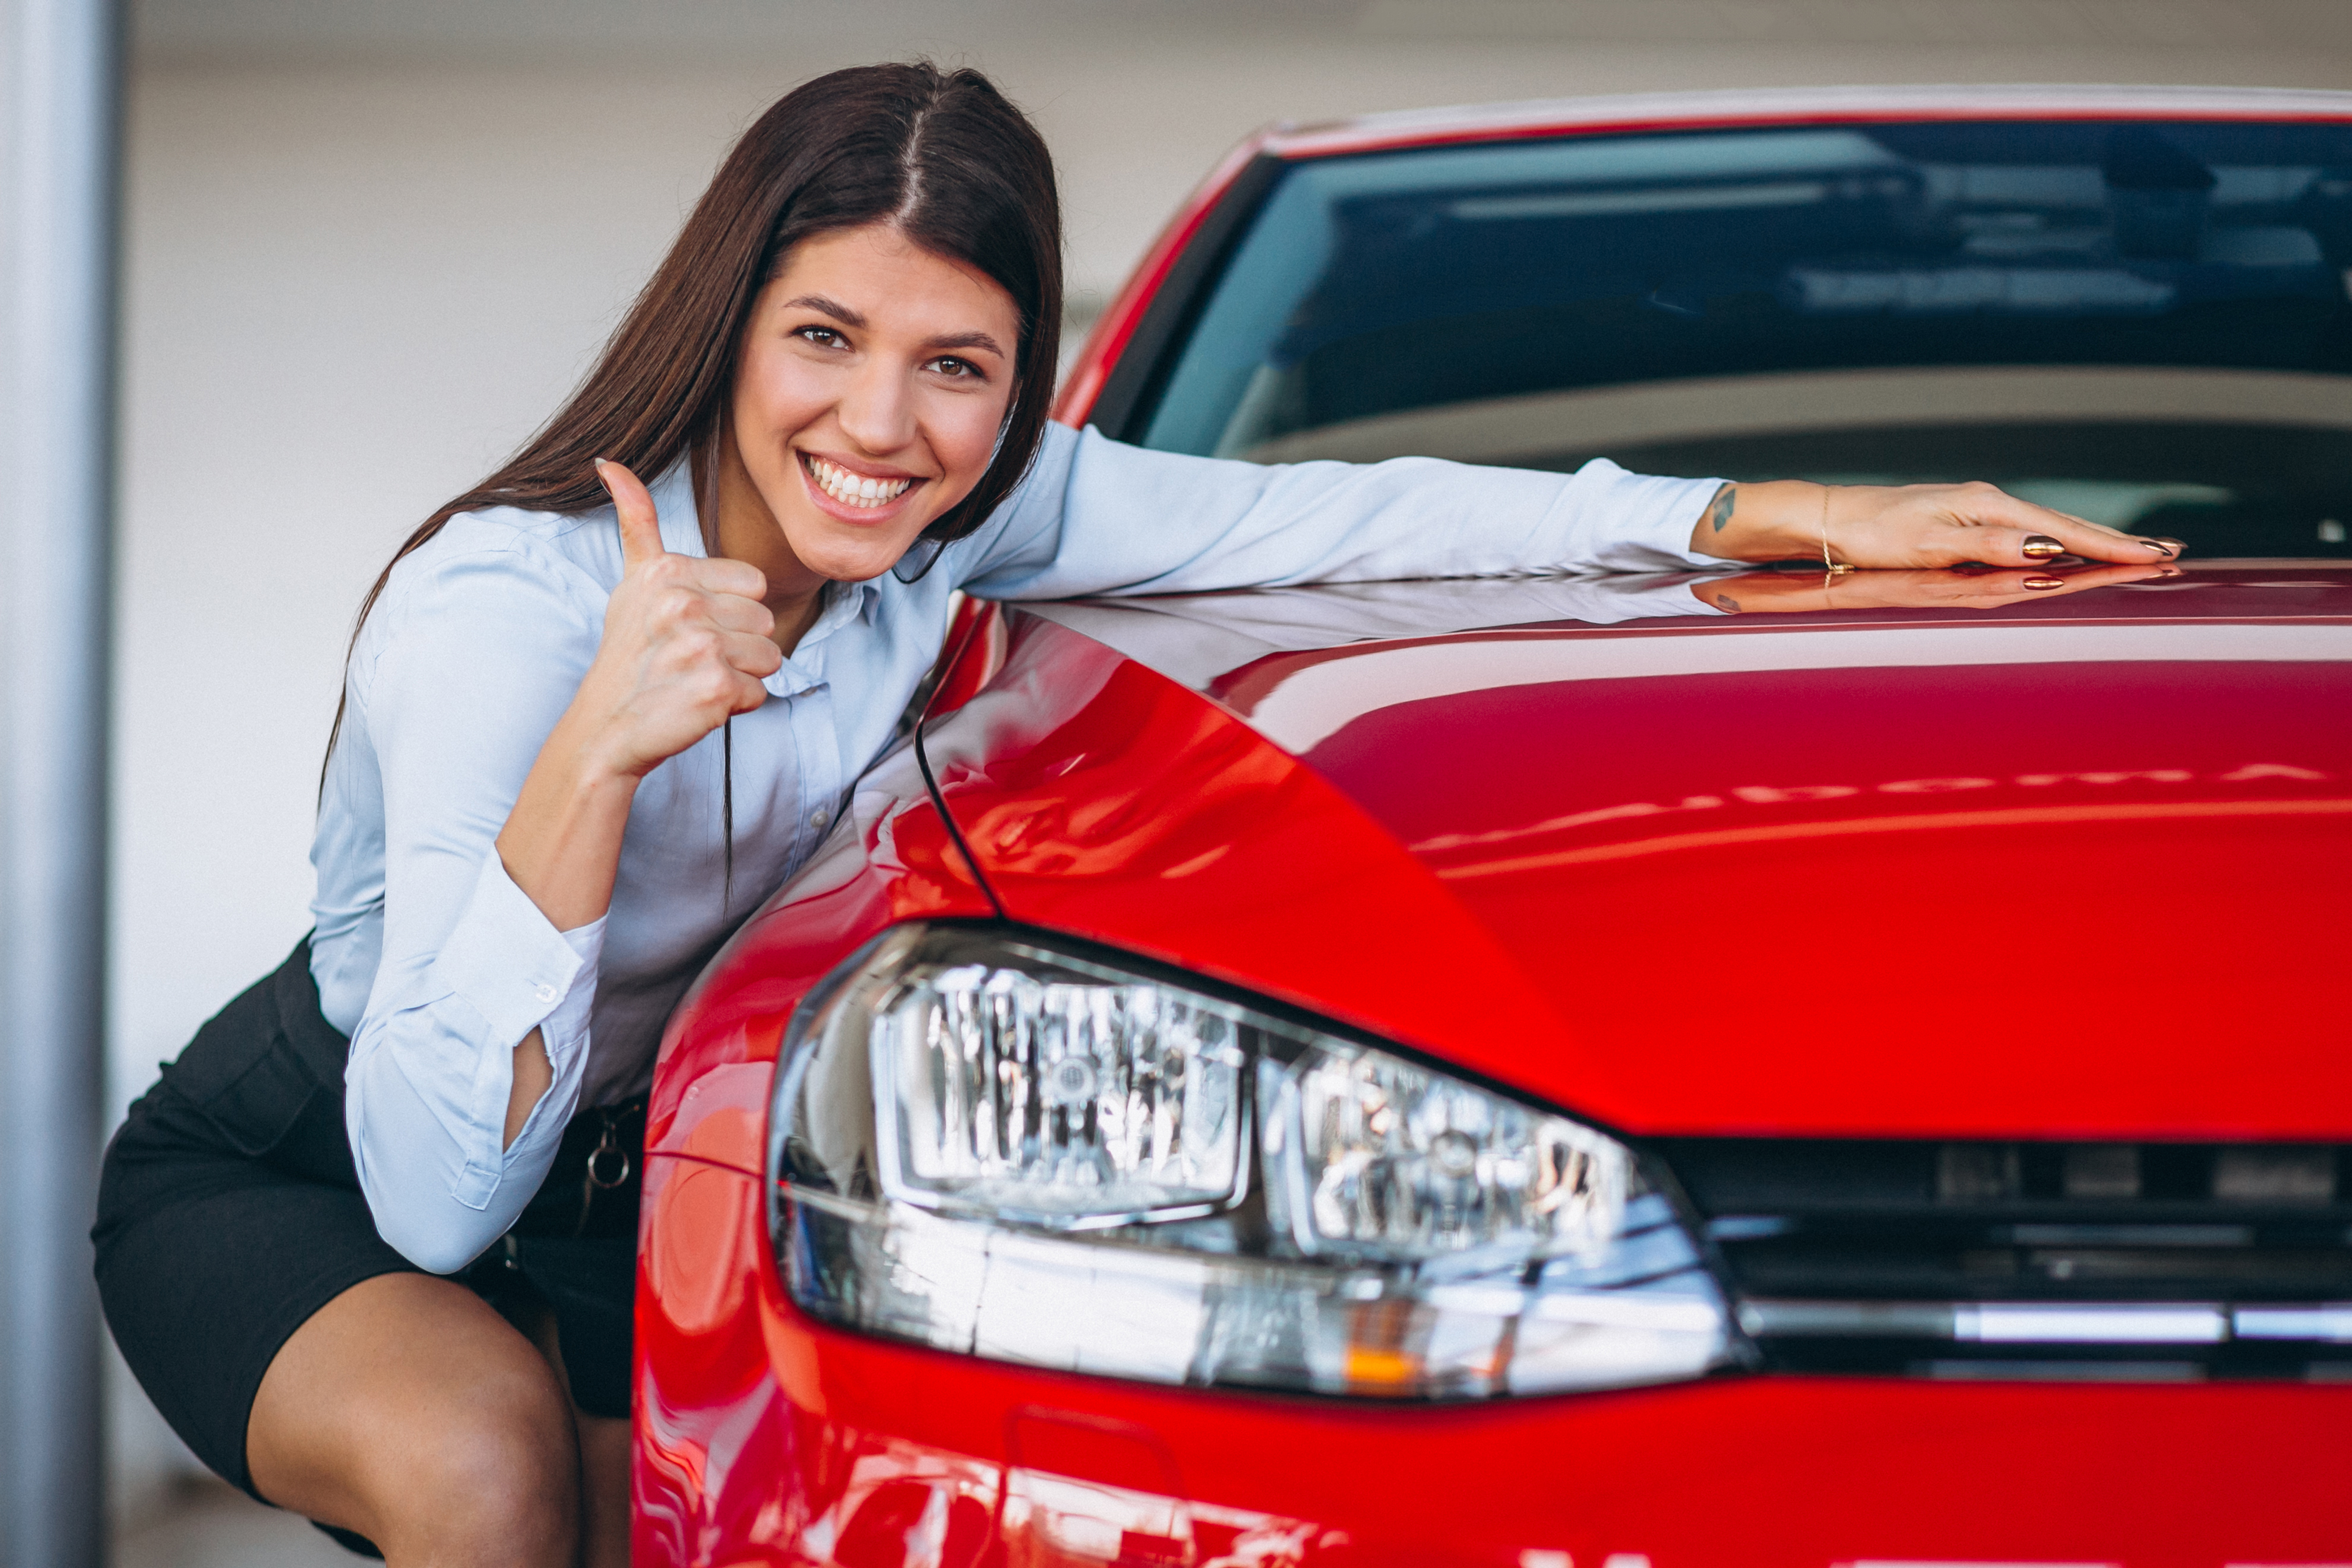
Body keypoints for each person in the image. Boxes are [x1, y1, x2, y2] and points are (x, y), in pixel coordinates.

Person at [92, 61, 2181, 1567]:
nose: (881, 426)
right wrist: (594, 753)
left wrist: (1791, 514)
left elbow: (1351, 518)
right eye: (826, 337)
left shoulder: (963, 529)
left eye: (960, 367)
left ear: (1021, 391)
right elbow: (435, 1194)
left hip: (623, 1170)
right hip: (326, 1162)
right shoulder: (502, 613)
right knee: (489, 1471)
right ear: (730, 321)